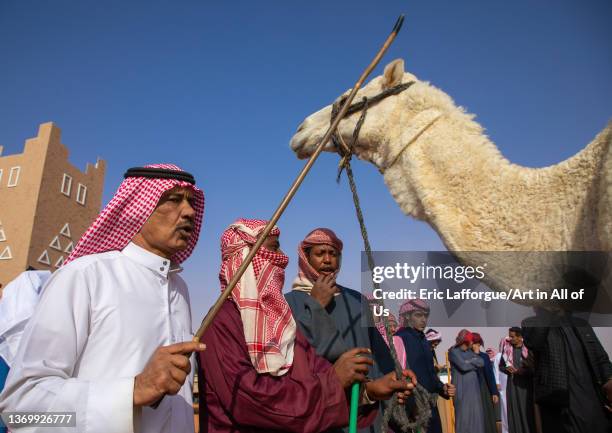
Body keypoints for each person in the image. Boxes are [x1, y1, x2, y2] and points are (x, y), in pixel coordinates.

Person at [0, 164, 205, 433]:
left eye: (192, 202)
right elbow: (20, 410)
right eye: (174, 200)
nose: (189, 211)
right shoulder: (83, 277)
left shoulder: (180, 290)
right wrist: (131, 392)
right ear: (136, 208)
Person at [198, 219, 414, 433]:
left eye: (334, 254)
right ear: (245, 257)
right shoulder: (222, 322)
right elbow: (252, 402)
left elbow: (308, 373)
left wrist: (370, 391)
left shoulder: (281, 316)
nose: (282, 258)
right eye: (274, 249)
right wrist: (314, 307)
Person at [285, 228, 407, 433]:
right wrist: (315, 305)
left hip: (366, 406)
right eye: (319, 253)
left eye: (333, 254)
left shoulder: (357, 300)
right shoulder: (289, 302)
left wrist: (394, 381)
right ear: (305, 258)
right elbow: (295, 354)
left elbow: (379, 354)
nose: (327, 260)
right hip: (322, 408)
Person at [522, 310, 612, 433]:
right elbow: (534, 342)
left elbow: (601, 358)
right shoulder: (532, 323)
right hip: (560, 402)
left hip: (591, 396)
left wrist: (609, 380)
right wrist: (547, 312)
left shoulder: (582, 324)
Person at [393, 300, 455, 433]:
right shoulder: (400, 338)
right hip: (412, 405)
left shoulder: (423, 340)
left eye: (425, 316)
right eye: (418, 315)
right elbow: (399, 374)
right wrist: (412, 402)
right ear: (408, 316)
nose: (423, 320)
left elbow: (430, 373)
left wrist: (442, 388)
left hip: (430, 403)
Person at [499, 327, 536, 433]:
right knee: (514, 411)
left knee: (526, 411)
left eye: (512, 336)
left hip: (526, 387)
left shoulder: (528, 350)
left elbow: (534, 368)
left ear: (520, 337)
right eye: (509, 336)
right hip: (512, 385)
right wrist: (507, 369)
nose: (510, 339)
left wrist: (521, 372)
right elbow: (501, 366)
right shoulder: (507, 350)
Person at [449, 330, 485, 433]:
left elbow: (481, 362)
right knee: (463, 418)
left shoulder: (470, 352)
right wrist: (473, 361)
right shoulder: (453, 351)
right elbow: (463, 366)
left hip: (474, 390)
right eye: (471, 341)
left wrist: (470, 360)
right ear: (466, 341)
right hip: (461, 389)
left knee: (476, 417)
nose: (472, 343)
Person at [472, 333, 500, 433]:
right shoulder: (467, 357)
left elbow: (490, 375)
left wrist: (494, 392)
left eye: (475, 343)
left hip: (484, 389)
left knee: (487, 414)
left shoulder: (484, 356)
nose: (473, 345)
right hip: (472, 389)